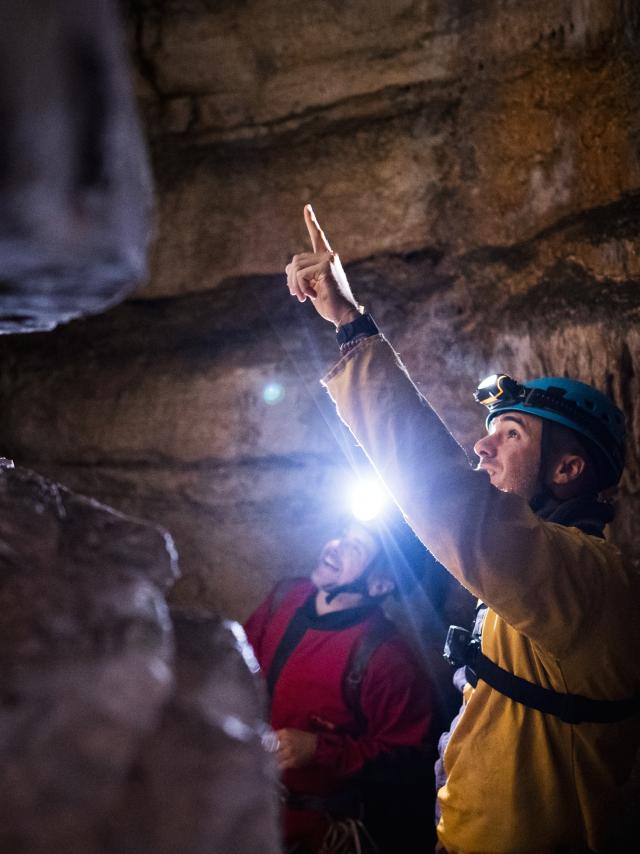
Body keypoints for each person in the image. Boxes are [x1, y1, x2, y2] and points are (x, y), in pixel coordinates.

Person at [282, 205, 640, 853]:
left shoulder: (585, 577)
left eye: (511, 433)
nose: (483, 447)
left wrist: (351, 326)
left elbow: (447, 496)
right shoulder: (539, 578)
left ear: (568, 468)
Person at [244, 515, 439, 853]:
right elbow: (237, 667)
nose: (335, 547)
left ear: (379, 585)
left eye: (356, 548)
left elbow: (409, 758)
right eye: (341, 536)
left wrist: (320, 749)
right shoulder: (285, 598)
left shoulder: (387, 662)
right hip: (250, 808)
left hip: (318, 832)